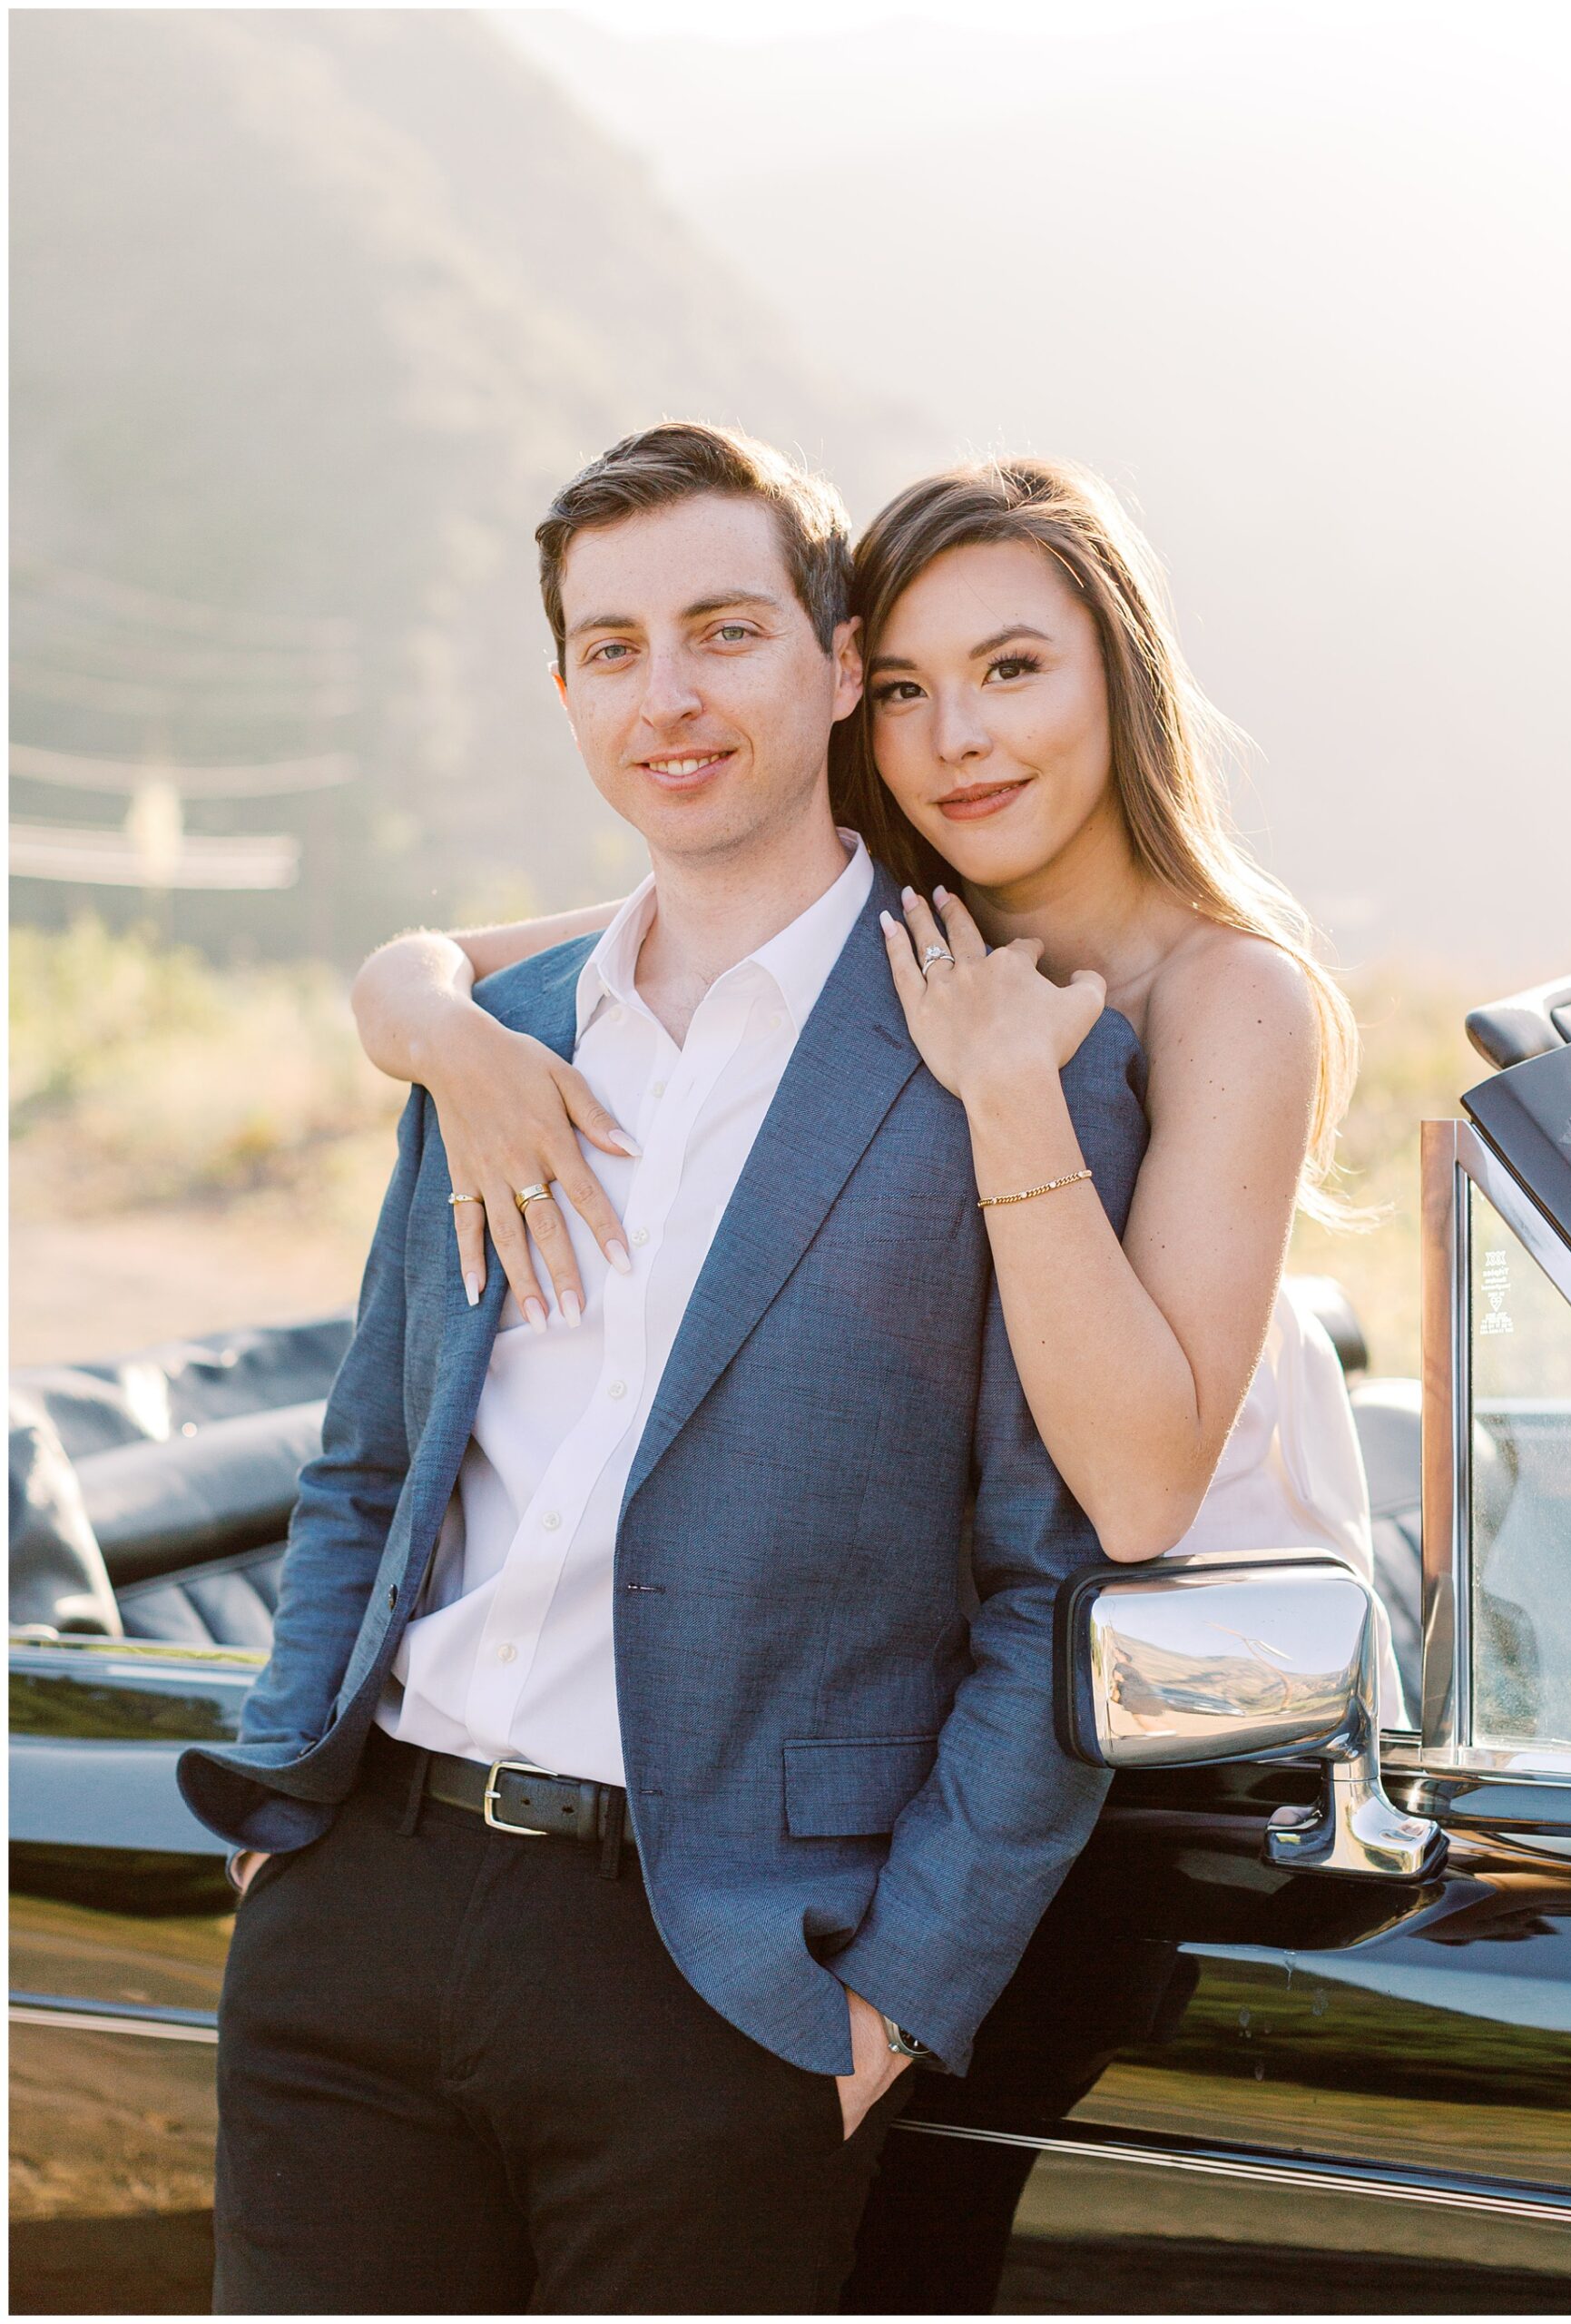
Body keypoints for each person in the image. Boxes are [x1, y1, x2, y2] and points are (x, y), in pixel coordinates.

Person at [177, 421, 1149, 2315]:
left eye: (722, 630)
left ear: (835, 660)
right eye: (610, 648)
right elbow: (368, 1461)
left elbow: (1054, 1586)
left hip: (723, 1985)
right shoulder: (498, 1038)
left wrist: (896, 1998)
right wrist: (291, 1823)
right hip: (358, 1925)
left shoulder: (1008, 1056)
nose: (667, 695)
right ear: (563, 692)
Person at [352, 455, 1405, 1721]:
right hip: (958, 1693)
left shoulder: (1225, 994)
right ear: (853, 690)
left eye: (1011, 669)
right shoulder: (880, 927)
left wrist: (1008, 1088)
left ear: (1118, 675)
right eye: (906, 689)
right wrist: (461, 1056)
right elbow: (428, 968)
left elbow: (1138, 1500)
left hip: (1203, 1701)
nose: (957, 738)